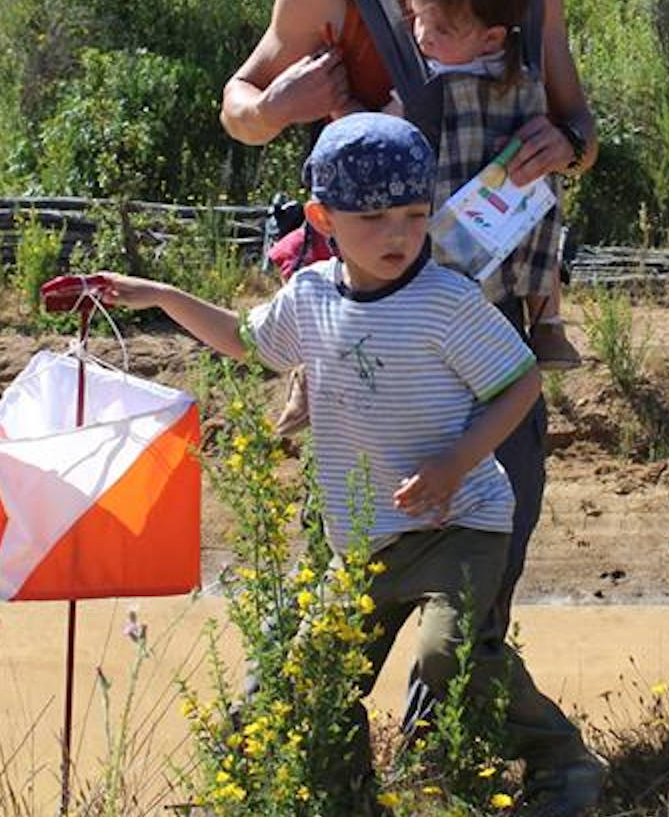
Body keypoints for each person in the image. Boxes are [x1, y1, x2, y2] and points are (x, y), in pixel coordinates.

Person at [99, 115, 604, 816]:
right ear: (322, 217)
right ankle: (346, 796)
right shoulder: (309, 298)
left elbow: (520, 383)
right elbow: (246, 340)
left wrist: (457, 463)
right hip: (362, 542)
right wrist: (158, 296)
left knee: (446, 656)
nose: (398, 234)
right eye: (373, 218)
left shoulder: (446, 302)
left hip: (460, 523)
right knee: (315, 679)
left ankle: (565, 763)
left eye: (414, 214)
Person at [220, 0, 596, 643]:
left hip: (490, 316)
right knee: (345, 569)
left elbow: (580, 124)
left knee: (491, 562)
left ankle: (446, 759)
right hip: (369, 334)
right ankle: (318, 755)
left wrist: (565, 145)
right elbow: (237, 105)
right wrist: (276, 107)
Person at [404, 0, 581, 368]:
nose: (424, 36)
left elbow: (564, 132)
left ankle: (547, 319)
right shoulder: (428, 73)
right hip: (453, 203)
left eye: (442, 28)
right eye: (418, 20)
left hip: (504, 201)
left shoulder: (518, 80)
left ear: (491, 39)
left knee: (544, 218)